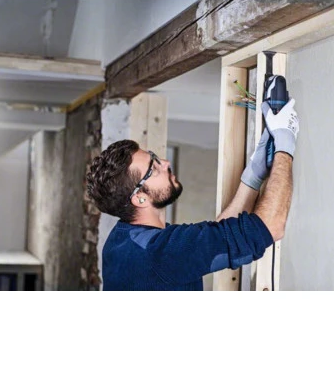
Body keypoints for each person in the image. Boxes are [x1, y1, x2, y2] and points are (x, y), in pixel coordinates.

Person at [86, 79, 299, 290]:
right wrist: (285, 145)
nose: (165, 163)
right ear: (139, 198)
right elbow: (270, 227)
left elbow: (215, 237)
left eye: (154, 157)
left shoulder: (122, 240)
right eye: (153, 168)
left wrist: (253, 177)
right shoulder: (160, 252)